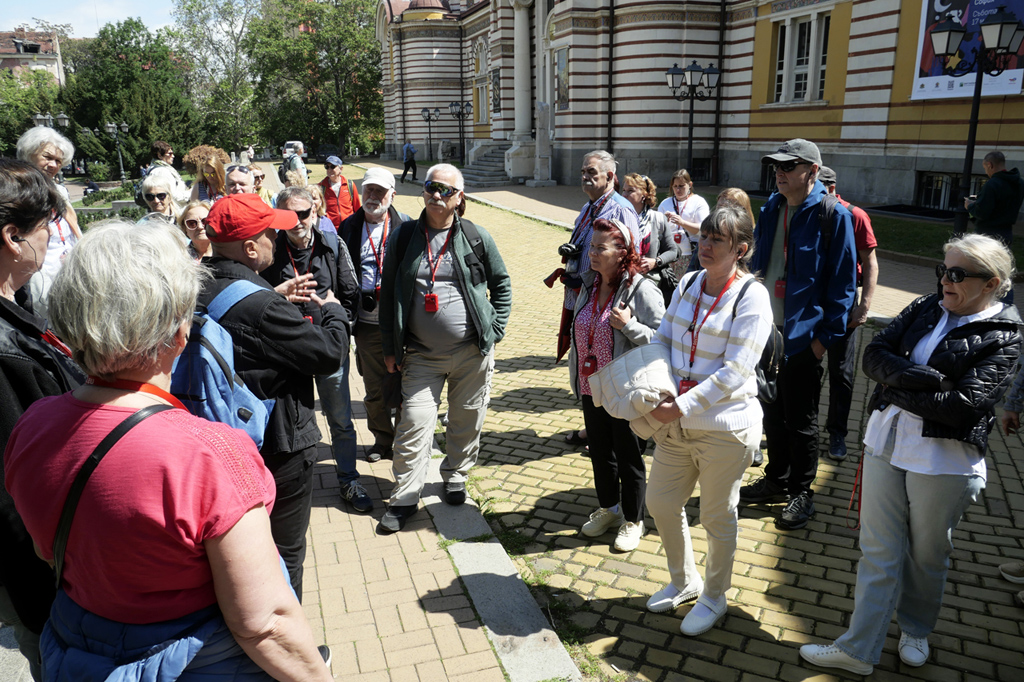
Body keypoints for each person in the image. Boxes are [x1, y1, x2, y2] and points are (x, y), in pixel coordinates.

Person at [4, 219, 333, 681]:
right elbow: (265, 624)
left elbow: (48, 550)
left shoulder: (32, 426)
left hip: (78, 651)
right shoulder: (211, 454)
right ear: (180, 334)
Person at [800, 234, 1021, 676]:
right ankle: (859, 649)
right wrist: (928, 380)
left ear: (991, 283)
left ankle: (916, 629)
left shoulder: (1005, 336)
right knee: (878, 551)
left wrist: (895, 386)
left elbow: (963, 407)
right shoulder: (925, 306)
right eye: (942, 270)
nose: (945, 281)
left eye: (956, 274)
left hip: (944, 462)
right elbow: (874, 356)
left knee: (927, 555)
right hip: (887, 444)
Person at [201, 193, 348, 598]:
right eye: (270, 233)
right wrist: (333, 311)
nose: (276, 238)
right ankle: (285, 629)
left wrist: (274, 295)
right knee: (285, 553)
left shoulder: (195, 284)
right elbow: (328, 353)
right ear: (251, 248)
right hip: (278, 445)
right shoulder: (261, 305)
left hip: (217, 441)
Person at [644, 205, 772, 636]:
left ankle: (715, 596)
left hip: (725, 428)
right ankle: (684, 580)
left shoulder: (751, 296)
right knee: (661, 502)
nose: (706, 245)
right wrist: (655, 387)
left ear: (741, 250)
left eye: (718, 240)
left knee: (717, 517)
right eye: (705, 236)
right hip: (676, 425)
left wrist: (680, 405)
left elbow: (736, 371)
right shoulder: (688, 282)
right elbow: (663, 339)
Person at [378, 164, 512, 532]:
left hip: (472, 353)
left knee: (466, 419)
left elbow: (502, 284)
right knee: (413, 423)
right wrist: (389, 346)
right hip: (421, 355)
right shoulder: (404, 237)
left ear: (459, 197)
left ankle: (455, 475)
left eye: (445, 190)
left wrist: (496, 328)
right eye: (430, 187)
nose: (436, 195)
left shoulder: (476, 237)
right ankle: (405, 497)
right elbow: (388, 295)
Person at [739, 139, 857, 530]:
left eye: (788, 166)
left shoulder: (833, 215)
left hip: (804, 339)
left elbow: (843, 288)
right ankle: (776, 478)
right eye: (776, 166)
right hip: (765, 334)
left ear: (812, 171)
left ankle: (801, 492)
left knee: (801, 421)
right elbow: (757, 264)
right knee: (771, 413)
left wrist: (821, 343)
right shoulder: (772, 207)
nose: (779, 172)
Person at [0, 159, 85, 681]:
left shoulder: (17, 309)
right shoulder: (5, 350)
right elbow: (14, 493)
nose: (53, 237)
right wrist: (51, 597)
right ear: (13, 238)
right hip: (46, 586)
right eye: (45, 227)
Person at [261, 187, 368, 514]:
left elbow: (350, 294)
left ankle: (349, 480)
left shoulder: (332, 245)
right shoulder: (268, 248)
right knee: (285, 422)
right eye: (289, 215)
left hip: (325, 348)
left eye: (303, 214)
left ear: (315, 213)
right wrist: (279, 296)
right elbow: (256, 297)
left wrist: (338, 332)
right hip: (286, 352)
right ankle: (285, 488)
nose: (297, 221)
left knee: (340, 419)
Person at [569, 218, 664, 551]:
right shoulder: (589, 283)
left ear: (623, 252)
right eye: (591, 247)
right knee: (600, 452)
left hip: (625, 390)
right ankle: (609, 509)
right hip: (591, 385)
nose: (592, 253)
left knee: (629, 456)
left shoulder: (641, 288)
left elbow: (663, 340)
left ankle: (633, 520)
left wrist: (630, 326)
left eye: (600, 248)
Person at [339, 167, 411, 463]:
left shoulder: (407, 226)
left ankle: (405, 442)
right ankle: (382, 440)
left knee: (408, 387)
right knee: (374, 389)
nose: (373, 196)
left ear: (392, 194)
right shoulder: (348, 226)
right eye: (369, 189)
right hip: (367, 324)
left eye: (380, 191)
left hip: (402, 325)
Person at [818, 166, 879, 461]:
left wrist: (864, 306)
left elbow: (870, 263)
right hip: (810, 300)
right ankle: (803, 427)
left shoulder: (855, 215)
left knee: (840, 370)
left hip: (842, 301)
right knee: (805, 367)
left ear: (831, 187)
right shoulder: (804, 210)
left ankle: (837, 433)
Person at [15, 127, 82, 319]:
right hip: (37, 276)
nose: (53, 165)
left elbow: (71, 229)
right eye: (47, 157)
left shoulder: (59, 191)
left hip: (69, 270)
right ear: (30, 153)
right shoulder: (17, 190)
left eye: (58, 161)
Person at [966, 151, 1024, 302]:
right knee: (1002, 272)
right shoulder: (1019, 183)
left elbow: (982, 213)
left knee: (983, 271)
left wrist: (970, 206)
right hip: (1006, 232)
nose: (986, 171)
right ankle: (1006, 303)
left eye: (985, 167)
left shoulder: (992, 184)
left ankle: (981, 303)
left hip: (987, 234)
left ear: (990, 165)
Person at [620, 173, 683, 305]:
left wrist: (656, 261)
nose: (624, 195)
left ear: (644, 194)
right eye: (624, 190)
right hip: (621, 283)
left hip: (648, 286)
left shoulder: (657, 219)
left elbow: (673, 251)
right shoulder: (618, 217)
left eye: (630, 191)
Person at [657, 169, 710, 277]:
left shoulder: (698, 202)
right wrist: (664, 222)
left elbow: (703, 230)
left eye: (681, 186)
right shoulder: (665, 203)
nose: (678, 189)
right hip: (669, 255)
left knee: (686, 285)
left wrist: (682, 223)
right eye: (675, 186)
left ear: (690, 185)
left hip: (690, 255)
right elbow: (656, 231)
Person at [318, 156, 361, 230]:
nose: (329, 170)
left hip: (348, 227)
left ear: (341, 169)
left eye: (332, 167)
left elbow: (357, 208)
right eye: (327, 167)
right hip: (330, 228)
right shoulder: (321, 187)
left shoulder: (349, 185)